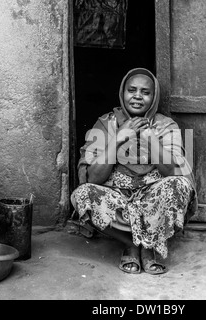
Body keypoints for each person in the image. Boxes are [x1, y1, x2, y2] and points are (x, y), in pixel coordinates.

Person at [70, 68, 197, 274]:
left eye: (145, 92)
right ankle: (137, 244)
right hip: (117, 198)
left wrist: (151, 138)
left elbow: (171, 171)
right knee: (83, 195)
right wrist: (119, 137)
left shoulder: (166, 125)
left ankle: (145, 247)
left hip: (152, 199)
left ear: (154, 97)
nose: (137, 96)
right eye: (132, 90)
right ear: (123, 93)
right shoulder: (104, 124)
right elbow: (93, 178)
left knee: (180, 185)